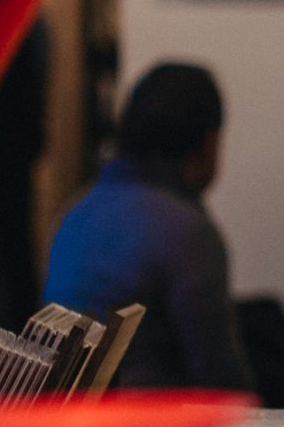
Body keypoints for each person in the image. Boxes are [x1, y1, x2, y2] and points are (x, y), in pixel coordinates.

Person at [44, 63, 253, 392]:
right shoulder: (186, 231)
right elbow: (220, 380)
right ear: (209, 144)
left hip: (68, 426)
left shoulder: (77, 211)